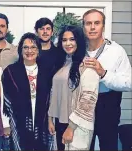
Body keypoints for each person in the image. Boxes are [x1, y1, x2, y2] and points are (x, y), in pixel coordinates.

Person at [82, 9, 132, 150]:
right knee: (83, 146)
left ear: (103, 26)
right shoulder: (77, 50)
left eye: (96, 23)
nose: (92, 27)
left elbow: (129, 83)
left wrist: (103, 74)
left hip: (107, 105)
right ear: (83, 26)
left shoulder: (116, 51)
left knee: (108, 146)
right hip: (82, 106)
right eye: (88, 23)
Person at [48, 25, 100, 150]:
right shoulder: (61, 63)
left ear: (79, 41)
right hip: (59, 123)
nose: (68, 43)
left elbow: (88, 100)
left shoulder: (87, 65)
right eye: (64, 40)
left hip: (77, 126)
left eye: (72, 39)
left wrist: (71, 128)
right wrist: (50, 119)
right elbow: (53, 92)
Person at [2, 32, 54, 150]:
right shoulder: (10, 72)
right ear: (20, 50)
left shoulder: (47, 71)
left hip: (43, 123)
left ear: (38, 50)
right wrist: (6, 124)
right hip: (18, 123)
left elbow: (51, 99)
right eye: (25, 47)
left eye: (33, 47)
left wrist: (51, 120)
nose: (29, 51)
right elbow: (5, 101)